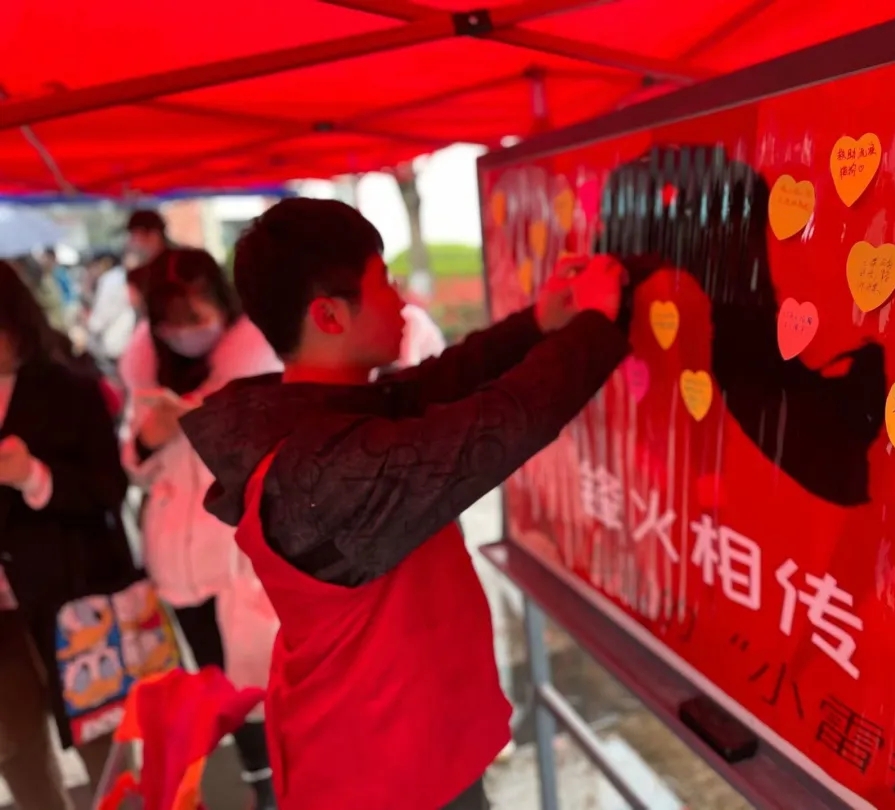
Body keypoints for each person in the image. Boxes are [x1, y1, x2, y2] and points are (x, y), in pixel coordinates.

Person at [179, 198, 636, 809]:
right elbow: (497, 426)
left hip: (391, 747)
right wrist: (596, 325)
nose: (403, 301)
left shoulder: (317, 415)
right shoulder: (328, 472)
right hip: (385, 777)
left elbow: (435, 383)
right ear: (329, 315)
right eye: (385, 283)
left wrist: (539, 323)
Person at [117, 248, 282, 809]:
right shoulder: (149, 374)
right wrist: (148, 440)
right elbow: (136, 464)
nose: (186, 331)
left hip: (239, 562)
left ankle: (278, 787)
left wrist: (202, 420)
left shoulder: (259, 367)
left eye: (195, 314)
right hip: (179, 568)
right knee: (219, 686)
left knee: (262, 685)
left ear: (222, 303)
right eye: (172, 320)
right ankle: (261, 783)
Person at [0, 260, 141, 808]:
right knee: (17, 756)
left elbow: (109, 490)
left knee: (105, 749)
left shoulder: (70, 390)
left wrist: (35, 478)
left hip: (73, 604)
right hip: (3, 627)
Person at [83, 251, 137, 376]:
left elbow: (98, 321)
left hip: (113, 345)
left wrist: (87, 322)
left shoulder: (110, 280)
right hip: (127, 342)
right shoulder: (123, 276)